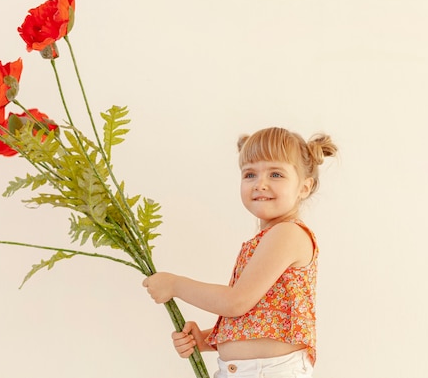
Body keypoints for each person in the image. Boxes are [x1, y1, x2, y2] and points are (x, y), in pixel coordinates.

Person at [142, 127, 337, 378]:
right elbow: (258, 314)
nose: (261, 184)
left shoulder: (287, 234)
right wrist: (209, 339)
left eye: (276, 174)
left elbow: (235, 301)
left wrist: (175, 285)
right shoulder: (266, 239)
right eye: (250, 174)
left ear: (304, 187)